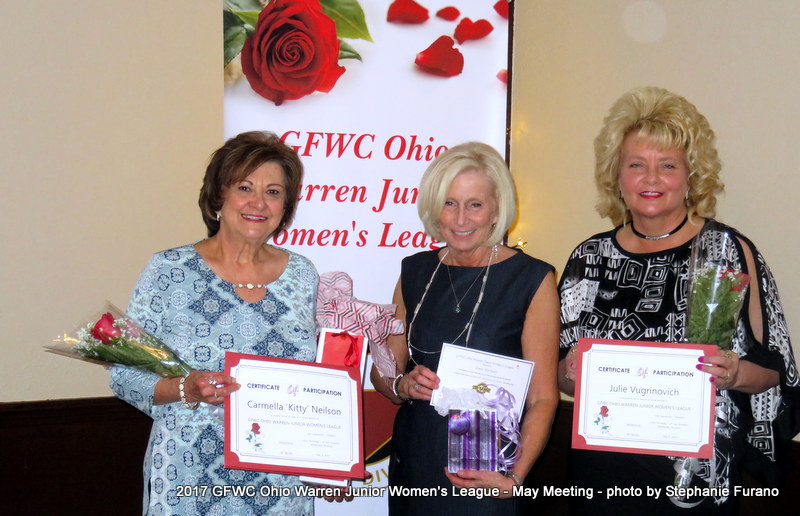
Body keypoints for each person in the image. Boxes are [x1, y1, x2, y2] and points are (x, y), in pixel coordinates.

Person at [557, 86, 800, 514]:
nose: (651, 179)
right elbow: (559, 378)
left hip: (694, 485)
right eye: (636, 165)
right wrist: (571, 370)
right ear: (617, 176)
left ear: (691, 177)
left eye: (667, 166)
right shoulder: (587, 258)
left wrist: (734, 373)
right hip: (602, 480)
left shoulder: (726, 251)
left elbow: (774, 371)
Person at [110, 131, 319, 515]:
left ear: (285, 205)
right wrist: (185, 387)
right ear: (218, 197)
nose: (259, 202)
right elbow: (124, 376)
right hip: (188, 476)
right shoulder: (169, 271)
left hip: (278, 483)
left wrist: (328, 460)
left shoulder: (302, 275)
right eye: (245, 187)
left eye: (273, 191)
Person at [371, 142, 560, 515]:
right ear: (433, 208)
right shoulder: (415, 272)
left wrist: (515, 478)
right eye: (449, 203)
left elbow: (543, 398)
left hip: (487, 468)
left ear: (496, 210)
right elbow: (384, 373)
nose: (461, 219)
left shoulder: (532, 279)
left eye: (475, 204)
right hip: (416, 461)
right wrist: (401, 385)